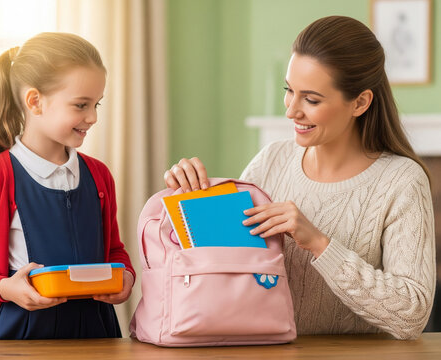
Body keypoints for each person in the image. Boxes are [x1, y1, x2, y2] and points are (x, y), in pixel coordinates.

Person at [164, 16, 435, 340]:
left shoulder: (402, 182)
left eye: (311, 99)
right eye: (288, 90)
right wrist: (191, 196)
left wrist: (319, 244)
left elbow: (412, 315)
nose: (291, 110)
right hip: (265, 350)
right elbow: (230, 266)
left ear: (360, 102)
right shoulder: (271, 160)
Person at [0, 32, 135, 340]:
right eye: (81, 105)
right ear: (35, 102)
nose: (92, 117)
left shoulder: (99, 175)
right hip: (19, 332)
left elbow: (114, 249)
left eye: (96, 104)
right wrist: (5, 287)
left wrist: (126, 276)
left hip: (96, 332)